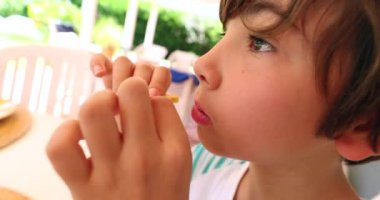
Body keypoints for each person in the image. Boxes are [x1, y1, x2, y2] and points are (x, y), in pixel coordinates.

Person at [46, 0, 380, 199]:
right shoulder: (194, 167)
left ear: (358, 124)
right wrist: (129, 160)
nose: (201, 63)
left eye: (261, 42)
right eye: (225, 33)